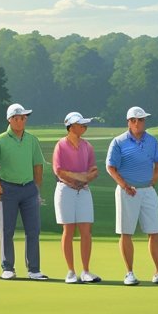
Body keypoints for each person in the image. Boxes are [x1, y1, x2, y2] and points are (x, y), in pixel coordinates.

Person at [106, 106, 158, 286]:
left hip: (148, 191)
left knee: (155, 232)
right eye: (135, 120)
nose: (139, 123)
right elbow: (111, 167)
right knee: (126, 232)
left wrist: (154, 179)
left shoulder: (152, 141)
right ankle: (129, 273)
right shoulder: (119, 142)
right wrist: (124, 185)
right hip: (126, 191)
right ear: (129, 122)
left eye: (142, 120)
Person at [0, 103, 47, 280]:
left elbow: (38, 165)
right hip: (8, 189)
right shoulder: (1, 140)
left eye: (24, 118)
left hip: (28, 189)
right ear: (10, 119)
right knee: (7, 230)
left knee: (33, 230)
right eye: (19, 118)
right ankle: (8, 267)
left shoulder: (31, 140)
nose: (22, 121)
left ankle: (34, 269)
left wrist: (36, 189)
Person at [53, 111, 100, 284]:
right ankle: (71, 271)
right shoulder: (61, 145)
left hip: (84, 191)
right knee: (69, 230)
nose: (84, 127)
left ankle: (86, 271)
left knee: (86, 231)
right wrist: (80, 177)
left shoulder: (87, 146)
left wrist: (84, 178)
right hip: (65, 190)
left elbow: (93, 170)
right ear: (71, 127)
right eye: (81, 124)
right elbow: (59, 171)